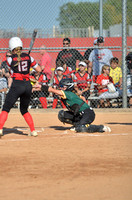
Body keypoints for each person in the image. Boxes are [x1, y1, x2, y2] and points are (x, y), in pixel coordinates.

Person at [34, 78, 111, 133]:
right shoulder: (71, 94)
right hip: (80, 114)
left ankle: (100, 127)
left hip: (88, 113)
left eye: (63, 86)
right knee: (62, 115)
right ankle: (78, 124)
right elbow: (83, 98)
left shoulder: (68, 93)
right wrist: (35, 88)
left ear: (68, 87)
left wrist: (41, 86)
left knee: (81, 129)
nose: (61, 88)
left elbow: (51, 90)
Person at [0, 36, 41, 138]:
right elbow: (39, 69)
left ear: (11, 48)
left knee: (6, 108)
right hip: (27, 85)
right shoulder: (29, 57)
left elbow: (12, 70)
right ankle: (33, 130)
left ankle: (0, 129)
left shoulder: (9, 60)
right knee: (24, 110)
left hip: (17, 84)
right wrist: (30, 70)